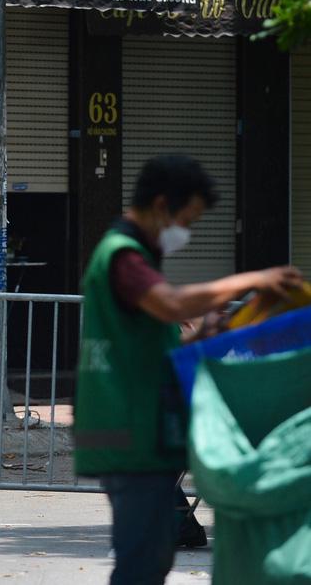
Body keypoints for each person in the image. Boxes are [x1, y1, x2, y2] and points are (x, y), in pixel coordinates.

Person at [73, 154, 303, 585]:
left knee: (155, 554)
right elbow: (172, 304)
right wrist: (253, 280)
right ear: (162, 205)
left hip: (142, 431)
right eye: (188, 219)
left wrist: (207, 336)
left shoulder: (135, 257)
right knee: (142, 563)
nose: (188, 232)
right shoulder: (123, 256)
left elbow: (150, 345)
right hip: (130, 434)